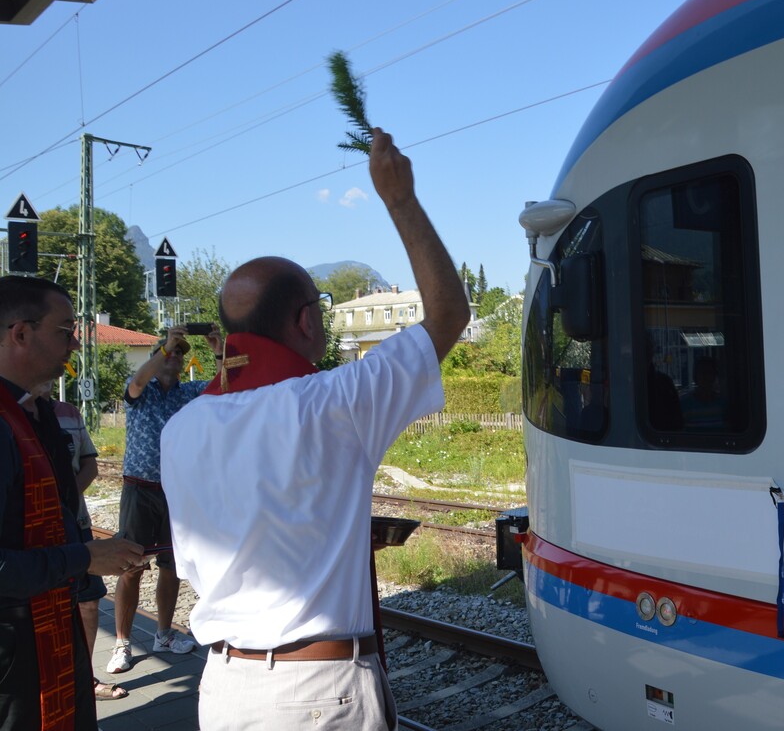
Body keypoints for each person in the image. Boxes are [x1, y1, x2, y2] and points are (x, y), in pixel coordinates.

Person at [161, 126, 469, 731]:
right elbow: (448, 315)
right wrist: (399, 198)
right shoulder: (335, 401)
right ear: (305, 321)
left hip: (223, 688)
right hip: (317, 695)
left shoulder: (182, 427)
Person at [0, 276, 143, 730]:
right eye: (65, 331)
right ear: (21, 333)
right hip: (13, 660)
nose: (76, 344)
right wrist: (83, 557)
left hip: (46, 633)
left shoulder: (33, 411)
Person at [106, 324, 221, 675]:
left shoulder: (188, 393)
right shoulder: (142, 388)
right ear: (158, 356)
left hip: (175, 490)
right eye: (169, 353)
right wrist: (165, 348)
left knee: (172, 566)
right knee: (131, 566)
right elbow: (138, 382)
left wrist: (218, 348)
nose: (174, 358)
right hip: (140, 488)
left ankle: (163, 634)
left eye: (179, 354)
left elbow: (227, 385)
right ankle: (122, 642)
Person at [32, 381, 127, 701]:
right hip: (37, 532)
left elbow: (90, 463)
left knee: (88, 601)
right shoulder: (14, 414)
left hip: (77, 523)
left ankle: (83, 679)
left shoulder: (69, 413)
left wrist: (66, 497)